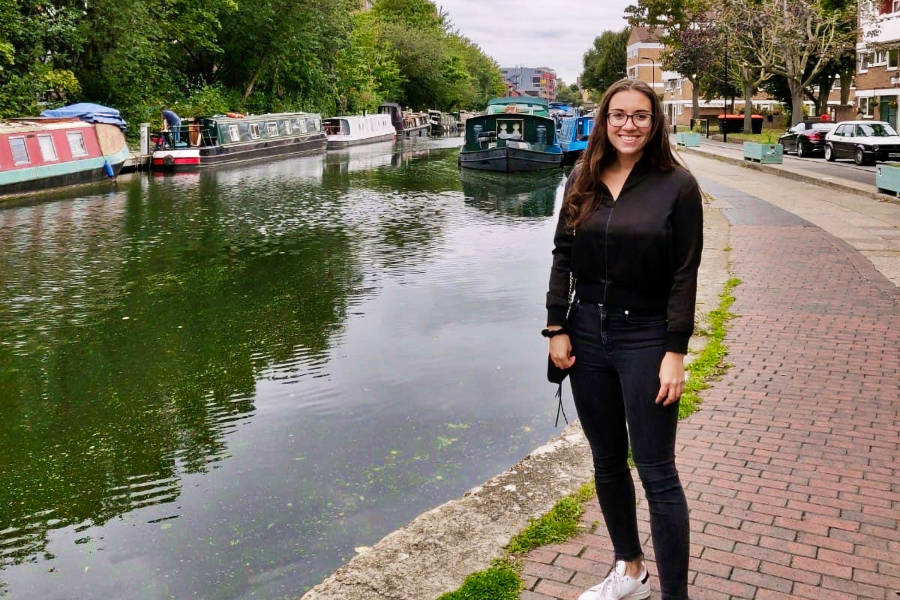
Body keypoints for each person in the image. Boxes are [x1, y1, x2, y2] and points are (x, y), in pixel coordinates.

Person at [544, 78, 702, 600]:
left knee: (657, 471)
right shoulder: (582, 179)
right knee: (607, 461)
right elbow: (563, 256)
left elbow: (685, 273)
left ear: (655, 123)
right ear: (603, 121)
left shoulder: (676, 186)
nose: (627, 125)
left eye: (639, 116)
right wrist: (556, 326)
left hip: (646, 336)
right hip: (587, 334)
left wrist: (675, 351)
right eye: (618, 115)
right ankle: (630, 570)